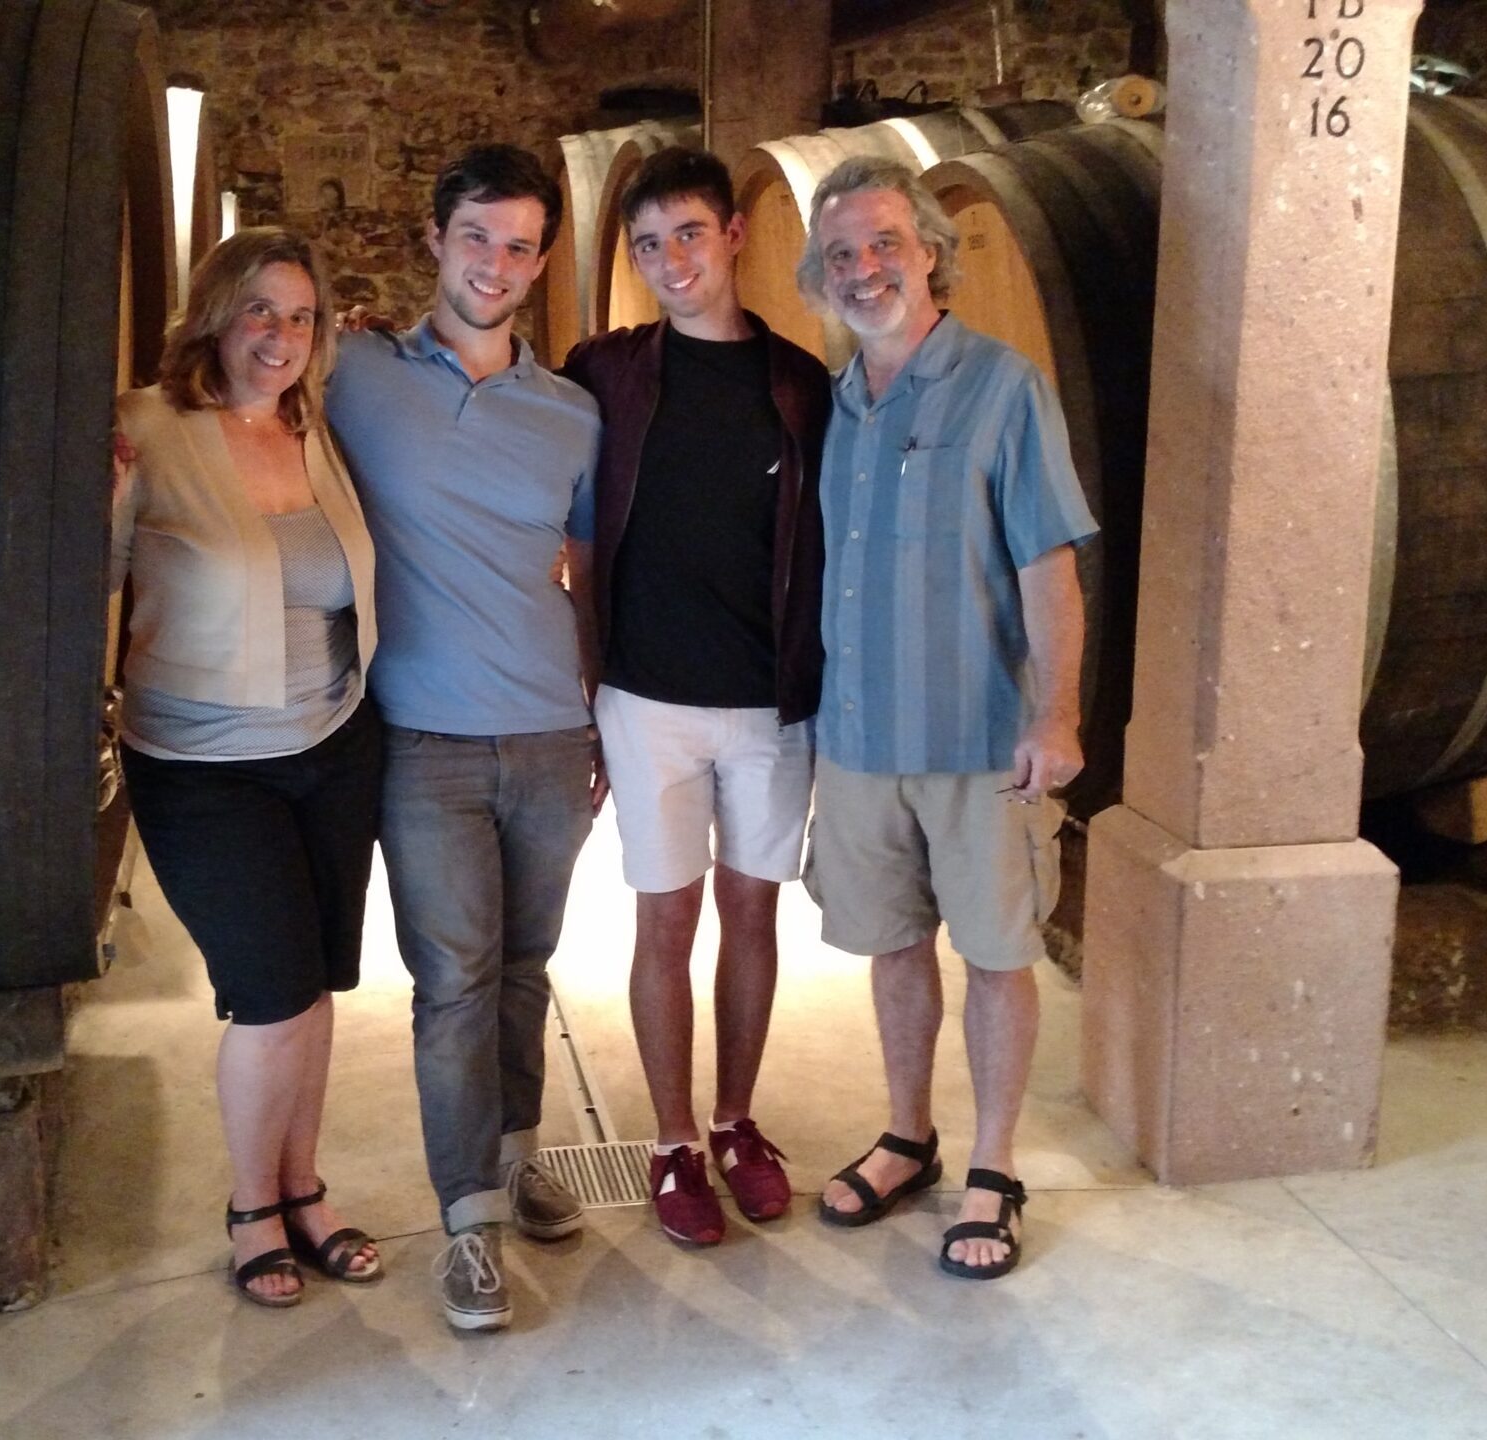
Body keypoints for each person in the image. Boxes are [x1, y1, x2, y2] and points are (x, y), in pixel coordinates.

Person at [797, 157, 1096, 1280]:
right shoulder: (838, 405)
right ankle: (908, 1136)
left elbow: (1049, 570)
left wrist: (1056, 717)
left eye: (884, 244)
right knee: (891, 948)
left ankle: (995, 1164)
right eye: (841, 256)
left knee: (1000, 954)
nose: (865, 269)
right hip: (862, 738)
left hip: (980, 742)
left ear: (929, 250)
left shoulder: (1003, 387)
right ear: (822, 279)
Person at [326, 144, 603, 1332]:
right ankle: (469, 1225)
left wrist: (597, 717)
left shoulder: (572, 413)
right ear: (434, 240)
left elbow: (587, 572)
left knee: (528, 970)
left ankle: (522, 1152)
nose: (496, 264)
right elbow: (237, 406)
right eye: (476, 237)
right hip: (424, 739)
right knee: (453, 985)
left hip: (550, 733)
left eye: (520, 245)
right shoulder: (352, 373)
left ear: (542, 263)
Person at [560, 147, 829, 1246]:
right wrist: (579, 692)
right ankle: (673, 1141)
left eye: (688, 235)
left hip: (770, 703)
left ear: (734, 237)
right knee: (664, 916)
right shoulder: (605, 372)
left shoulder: (800, 384)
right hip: (646, 699)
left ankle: (736, 1120)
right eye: (649, 244)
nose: (672, 260)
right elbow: (569, 531)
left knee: (753, 912)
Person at [111, 227, 384, 1309]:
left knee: (318, 988)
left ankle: (305, 1188)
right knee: (269, 994)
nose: (279, 336)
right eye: (260, 311)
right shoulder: (148, 428)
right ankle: (249, 1208)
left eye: (301, 317)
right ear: (216, 314)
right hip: (202, 765)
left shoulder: (314, 428)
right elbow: (85, 576)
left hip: (334, 744)